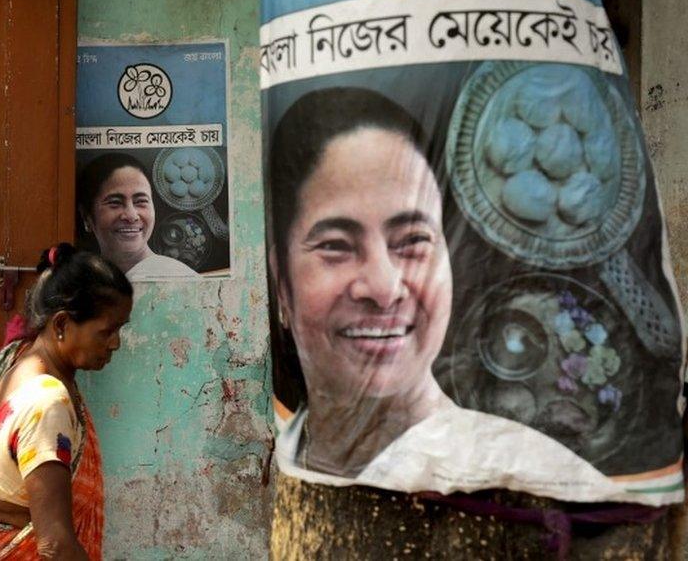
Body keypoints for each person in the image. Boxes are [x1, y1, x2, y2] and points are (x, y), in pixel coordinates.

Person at [267, 87, 636, 502]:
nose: (385, 288)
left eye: (411, 241)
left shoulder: (540, 477)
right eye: (335, 245)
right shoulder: (282, 453)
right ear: (281, 281)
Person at [0, 243, 133, 559]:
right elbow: (55, 545)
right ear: (61, 324)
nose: (115, 344)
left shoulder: (16, 361)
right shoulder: (47, 403)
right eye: (106, 332)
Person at [77, 153, 197, 281]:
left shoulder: (182, 279)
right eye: (115, 203)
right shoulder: (76, 287)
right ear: (86, 216)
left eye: (140, 201)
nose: (131, 216)